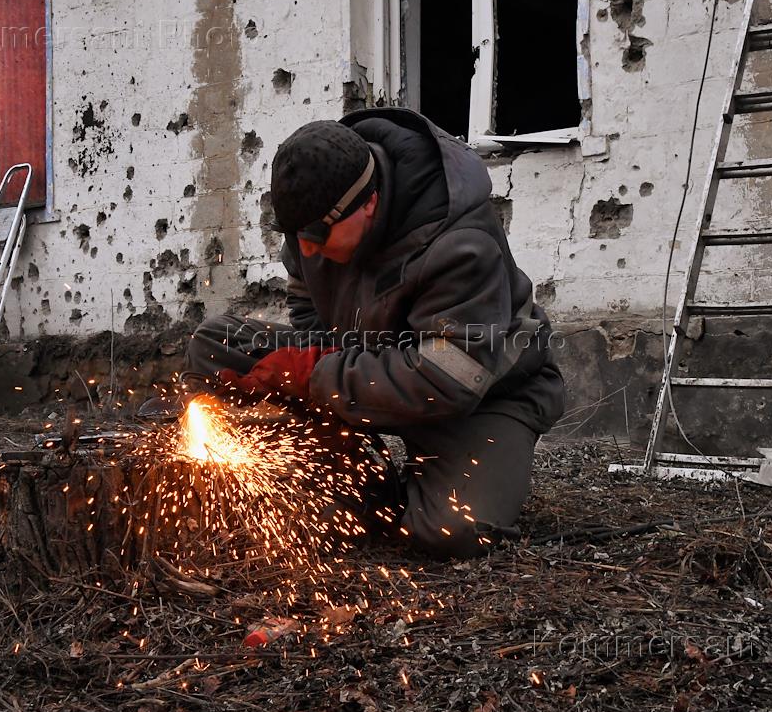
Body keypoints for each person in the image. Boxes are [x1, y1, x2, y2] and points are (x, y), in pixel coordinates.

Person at [183, 108, 565, 558]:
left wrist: (315, 375)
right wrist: (321, 372)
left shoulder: (459, 243)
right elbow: (307, 303)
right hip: (368, 364)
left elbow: (446, 380)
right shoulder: (313, 217)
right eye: (294, 235)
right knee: (215, 344)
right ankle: (357, 474)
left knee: (451, 530)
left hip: (478, 394)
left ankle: (403, 488)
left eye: (315, 236)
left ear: (367, 203)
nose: (305, 250)